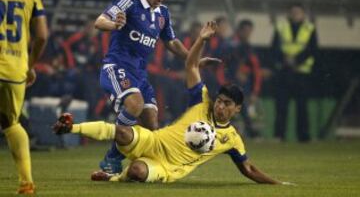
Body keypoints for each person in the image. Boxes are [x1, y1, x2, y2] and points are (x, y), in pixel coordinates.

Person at [53, 22, 292, 185]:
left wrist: (278, 183)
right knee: (123, 132)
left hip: (168, 169)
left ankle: (114, 178)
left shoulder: (232, 139)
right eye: (219, 101)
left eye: (226, 104)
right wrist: (201, 39)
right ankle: (70, 127)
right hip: (155, 141)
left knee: (137, 171)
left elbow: (248, 169)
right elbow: (191, 66)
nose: (220, 106)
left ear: (237, 109)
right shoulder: (202, 101)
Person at [93, 0, 215, 174]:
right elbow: (100, 21)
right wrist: (114, 26)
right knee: (135, 104)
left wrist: (195, 59)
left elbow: (172, 42)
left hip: (140, 74)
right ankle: (111, 159)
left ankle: (142, 166)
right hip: (117, 66)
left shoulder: (163, 13)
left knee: (151, 123)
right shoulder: (130, 1)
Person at [0, 0, 49, 194]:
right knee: (11, 123)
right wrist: (29, 66)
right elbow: (41, 36)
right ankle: (26, 182)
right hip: (14, 69)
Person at [271, 3, 318, 142]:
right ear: (289, 14)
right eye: (293, 12)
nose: (295, 15)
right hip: (285, 72)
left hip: (301, 73)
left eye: (298, 12)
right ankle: (279, 135)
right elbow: (274, 48)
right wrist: (285, 59)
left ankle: (303, 136)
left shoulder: (310, 28)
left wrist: (296, 60)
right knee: (281, 105)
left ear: (303, 14)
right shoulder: (281, 27)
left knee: (302, 106)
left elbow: (313, 49)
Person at [225, 19, 262, 137]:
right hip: (227, 83)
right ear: (239, 31)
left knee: (243, 107)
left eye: (249, 31)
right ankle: (248, 130)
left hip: (241, 86)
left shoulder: (247, 46)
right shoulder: (230, 44)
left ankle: (248, 130)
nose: (247, 34)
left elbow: (255, 68)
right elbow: (224, 64)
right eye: (245, 31)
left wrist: (255, 91)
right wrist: (237, 72)